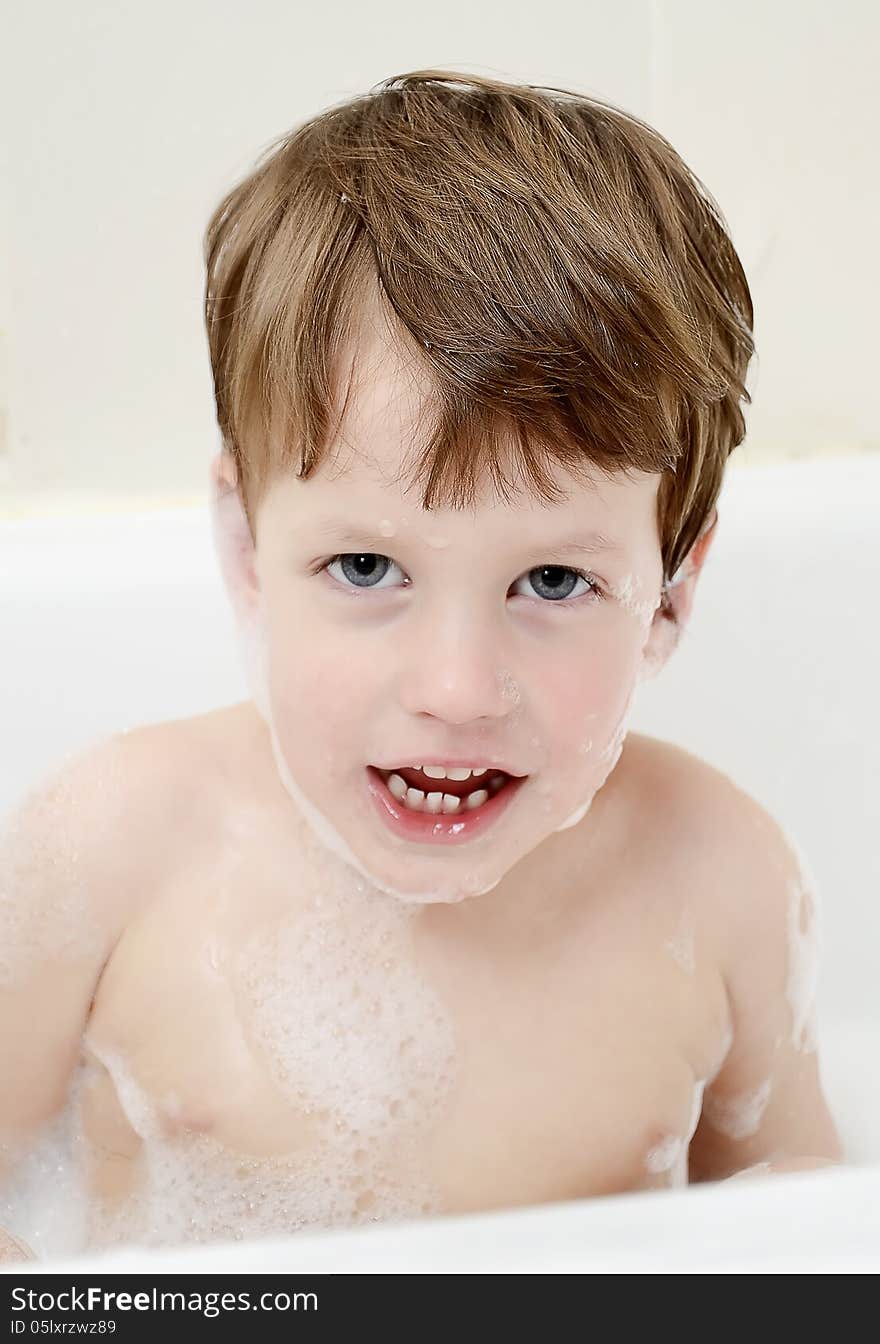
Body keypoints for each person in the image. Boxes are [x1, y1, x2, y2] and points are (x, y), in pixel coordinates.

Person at [0, 69, 841, 1261]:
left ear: (671, 595)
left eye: (552, 583)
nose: (454, 688)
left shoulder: (719, 883)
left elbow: (808, 1243)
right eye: (363, 567)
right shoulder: (112, 850)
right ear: (245, 544)